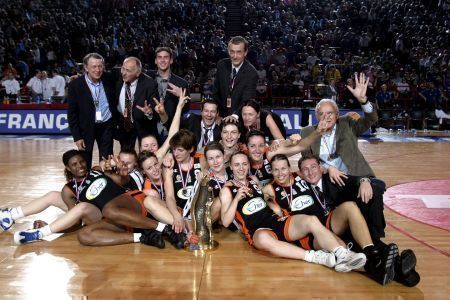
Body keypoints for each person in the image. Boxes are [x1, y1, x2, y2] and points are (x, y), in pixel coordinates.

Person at [264, 154, 418, 286]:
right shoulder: (270, 189)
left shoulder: (299, 175)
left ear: (289, 168)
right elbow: (260, 200)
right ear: (271, 171)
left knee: (349, 207)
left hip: (327, 219)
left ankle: (371, 252)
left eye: (283, 168)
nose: (280, 173)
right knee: (348, 248)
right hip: (310, 233)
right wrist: (271, 206)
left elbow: (316, 168)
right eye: (275, 169)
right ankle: (397, 270)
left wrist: (331, 168)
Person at [219, 152, 366, 272]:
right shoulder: (227, 190)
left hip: (276, 221)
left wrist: (273, 206)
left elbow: (264, 199)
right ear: (231, 167)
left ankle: (342, 253)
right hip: (257, 230)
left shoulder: (253, 180)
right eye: (236, 165)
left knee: (311, 220)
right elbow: (225, 221)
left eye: (244, 164)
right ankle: (314, 257)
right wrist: (237, 199)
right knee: (263, 239)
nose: (241, 168)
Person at [300, 73, 386, 243]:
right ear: (317, 116)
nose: (327, 117)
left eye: (330, 113)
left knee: (373, 189)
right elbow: (307, 164)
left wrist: (363, 101)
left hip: (353, 177)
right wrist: (327, 168)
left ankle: (375, 239)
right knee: (367, 193)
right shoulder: (307, 133)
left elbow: (371, 118)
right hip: (327, 181)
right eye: (322, 113)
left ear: (337, 114)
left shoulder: (347, 124)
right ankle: (368, 241)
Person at [67, 53, 117, 169]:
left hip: (106, 125)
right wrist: (77, 137)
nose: (98, 70)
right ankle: (85, 184)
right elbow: (72, 113)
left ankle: (107, 182)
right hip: (86, 127)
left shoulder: (109, 78)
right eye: (94, 66)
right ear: (85, 67)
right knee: (84, 160)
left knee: (107, 159)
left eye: (100, 66)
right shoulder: (75, 85)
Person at [115, 57, 159, 150]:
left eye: (128, 70)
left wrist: (149, 112)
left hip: (143, 124)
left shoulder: (150, 84)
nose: (123, 72)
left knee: (145, 156)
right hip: (124, 124)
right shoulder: (116, 78)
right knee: (126, 154)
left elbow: (154, 110)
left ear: (138, 73)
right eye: (123, 68)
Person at [163, 129, 202, 233]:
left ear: (191, 149)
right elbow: (170, 197)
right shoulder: (169, 167)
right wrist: (176, 216)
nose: (176, 153)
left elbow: (213, 147)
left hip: (198, 211)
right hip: (179, 210)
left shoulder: (201, 161)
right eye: (174, 149)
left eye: (180, 150)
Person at [213, 36, 258, 117]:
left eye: (239, 52)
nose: (235, 56)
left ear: (245, 52)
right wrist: (216, 114)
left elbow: (246, 101)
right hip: (219, 115)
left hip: (239, 117)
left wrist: (234, 116)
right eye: (232, 52)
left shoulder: (251, 73)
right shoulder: (221, 65)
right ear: (228, 51)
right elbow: (216, 92)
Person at [149, 47, 189, 133]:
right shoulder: (148, 80)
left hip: (172, 131)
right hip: (150, 130)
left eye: (166, 57)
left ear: (171, 60)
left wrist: (180, 97)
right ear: (155, 61)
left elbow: (186, 110)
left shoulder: (182, 83)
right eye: (159, 57)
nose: (162, 60)